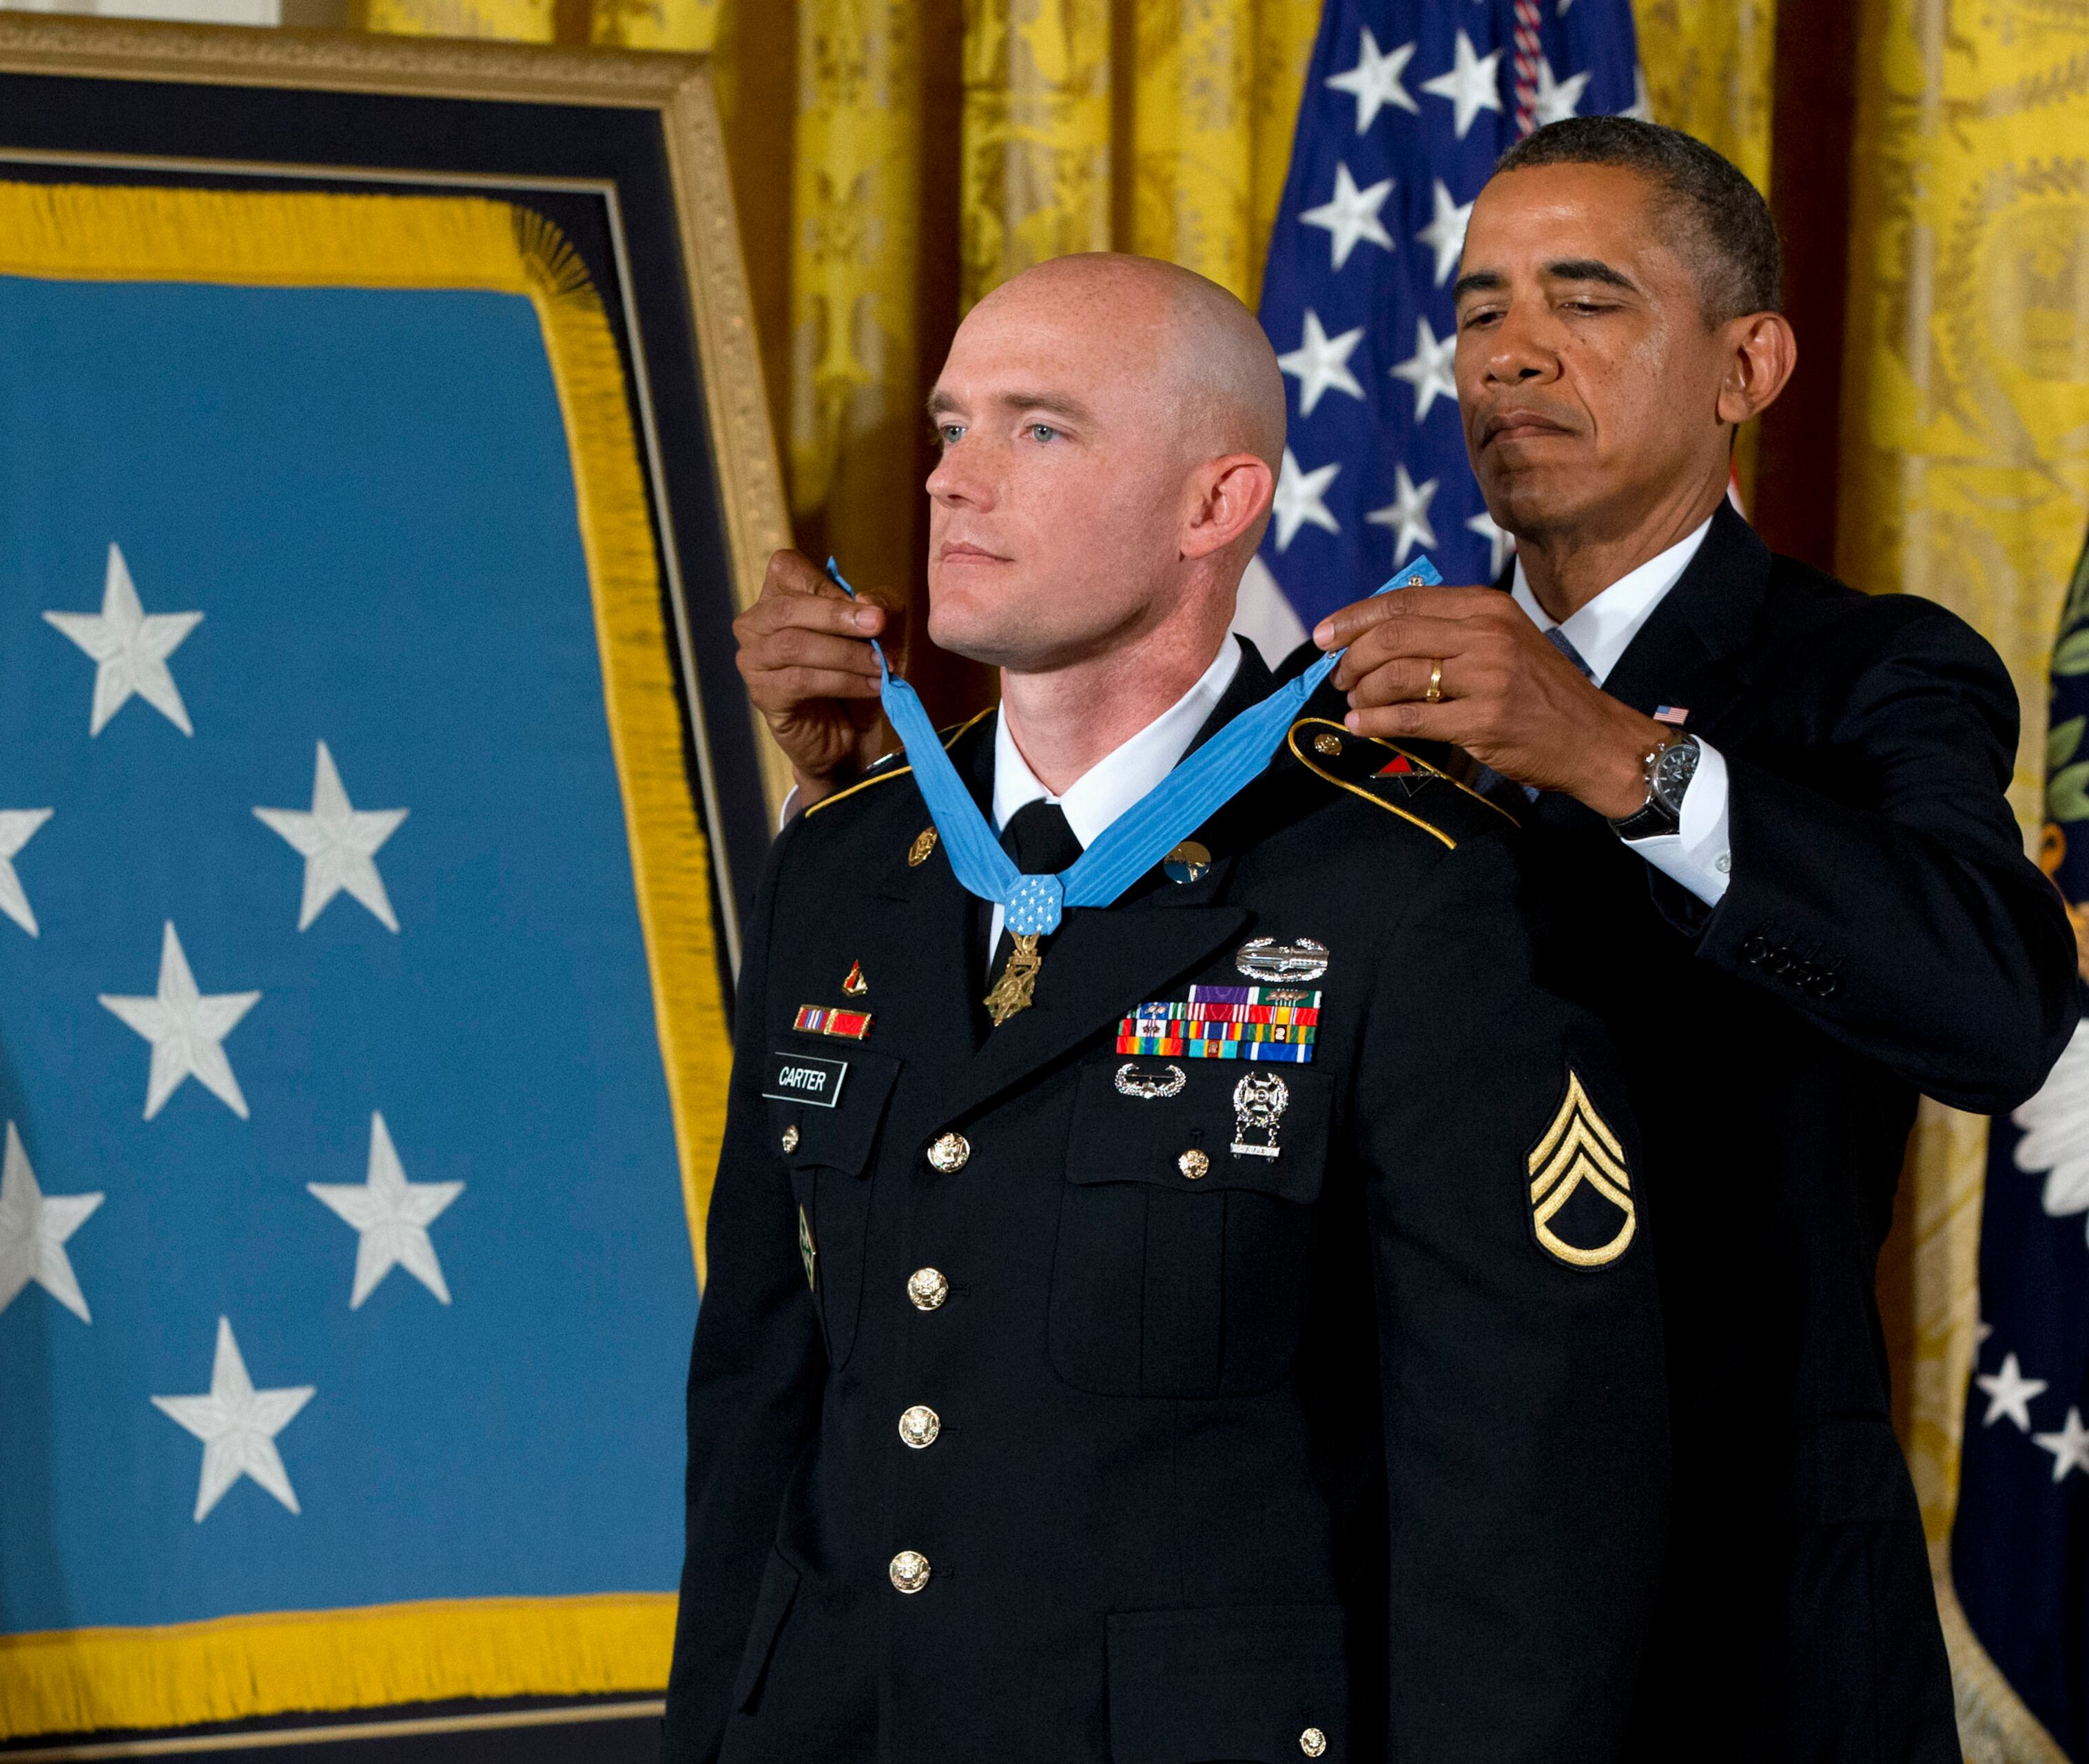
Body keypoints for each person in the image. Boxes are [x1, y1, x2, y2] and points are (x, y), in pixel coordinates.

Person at [728, 118, 2081, 1762]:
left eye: (1587, 301)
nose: (1512, 352)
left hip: (1748, 1617)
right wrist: (899, 824)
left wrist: (1614, 759)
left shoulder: (1862, 675)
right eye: (1478, 308)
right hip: (1404, 1608)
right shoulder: (1349, 700)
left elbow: (2000, 1004)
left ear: (1749, 363)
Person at [666, 252, 1667, 1764]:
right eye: (951, 426)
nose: (955, 481)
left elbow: (1519, 1490)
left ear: (1218, 505)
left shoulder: (1406, 889)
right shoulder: (852, 856)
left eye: (1039, 429)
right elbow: (757, 1388)